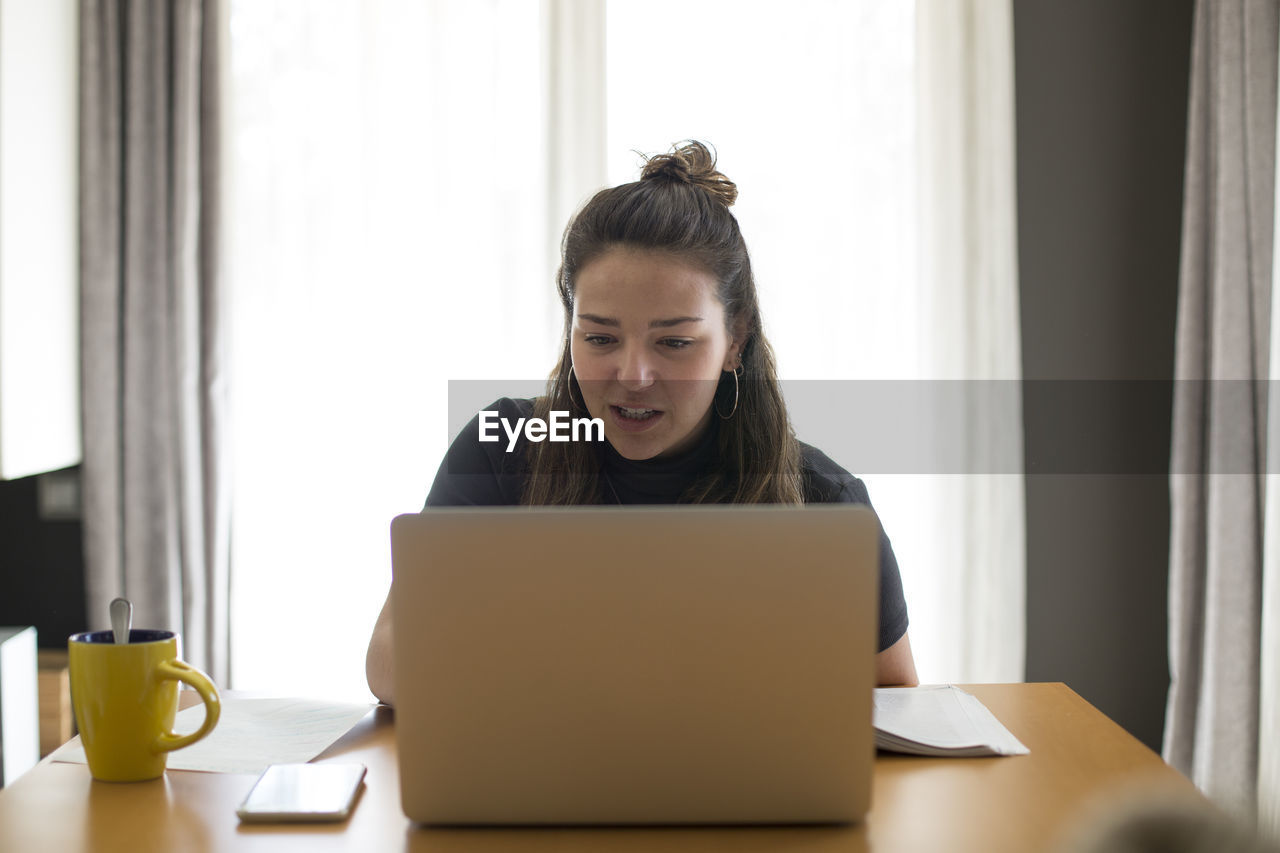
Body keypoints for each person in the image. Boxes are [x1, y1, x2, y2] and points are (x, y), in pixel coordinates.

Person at [365, 141, 917, 704]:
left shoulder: (821, 498)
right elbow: (389, 661)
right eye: (600, 338)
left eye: (674, 342)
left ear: (736, 340)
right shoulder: (506, 447)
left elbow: (895, 705)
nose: (633, 375)